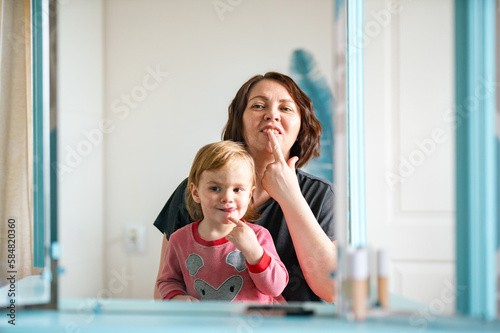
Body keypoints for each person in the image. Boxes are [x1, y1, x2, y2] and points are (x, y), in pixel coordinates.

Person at [154, 72, 336, 302]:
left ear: (301, 126)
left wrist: (291, 197)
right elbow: (165, 286)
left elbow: (334, 290)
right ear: (239, 121)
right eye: (259, 106)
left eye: (286, 108)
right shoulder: (192, 191)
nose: (272, 115)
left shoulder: (322, 195)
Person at [156, 140, 288, 303]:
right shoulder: (179, 240)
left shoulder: (258, 236)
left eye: (237, 190)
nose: (227, 198)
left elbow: (276, 288)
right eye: (215, 188)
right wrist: (176, 297)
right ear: (195, 192)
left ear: (249, 195)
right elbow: (168, 281)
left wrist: (254, 252)